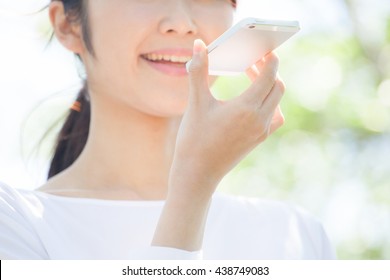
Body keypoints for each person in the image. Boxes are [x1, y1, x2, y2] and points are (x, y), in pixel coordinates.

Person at [0, 0, 335, 259]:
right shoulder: (16, 224)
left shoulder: (297, 236)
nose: (182, 24)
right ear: (67, 25)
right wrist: (192, 185)